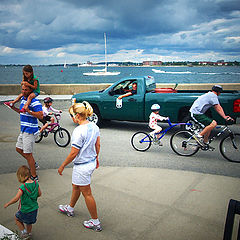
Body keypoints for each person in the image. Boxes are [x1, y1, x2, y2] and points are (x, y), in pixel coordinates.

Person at [58, 101, 102, 232]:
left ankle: (95, 222)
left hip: (82, 165)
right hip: (90, 163)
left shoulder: (78, 131)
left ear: (77, 115)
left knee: (87, 193)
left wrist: (62, 166)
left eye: (72, 115)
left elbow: (73, 153)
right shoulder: (94, 126)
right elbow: (98, 145)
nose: (72, 118)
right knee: (76, 186)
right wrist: (97, 158)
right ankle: (70, 208)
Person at [10, 84, 43, 181]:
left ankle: (34, 176)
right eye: (22, 89)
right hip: (23, 130)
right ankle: (33, 163)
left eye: (26, 90)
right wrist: (13, 107)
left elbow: (41, 115)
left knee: (28, 154)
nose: (23, 91)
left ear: (30, 91)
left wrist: (29, 111)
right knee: (18, 149)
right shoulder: (24, 100)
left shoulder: (34, 101)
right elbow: (22, 112)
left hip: (30, 131)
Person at [4, 165, 42, 239]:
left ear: (22, 176)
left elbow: (16, 199)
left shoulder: (23, 187)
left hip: (25, 209)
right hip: (34, 209)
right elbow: (39, 194)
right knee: (29, 223)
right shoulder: (36, 183)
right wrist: (33, 196)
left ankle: (24, 233)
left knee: (17, 218)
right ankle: (29, 233)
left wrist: (8, 204)